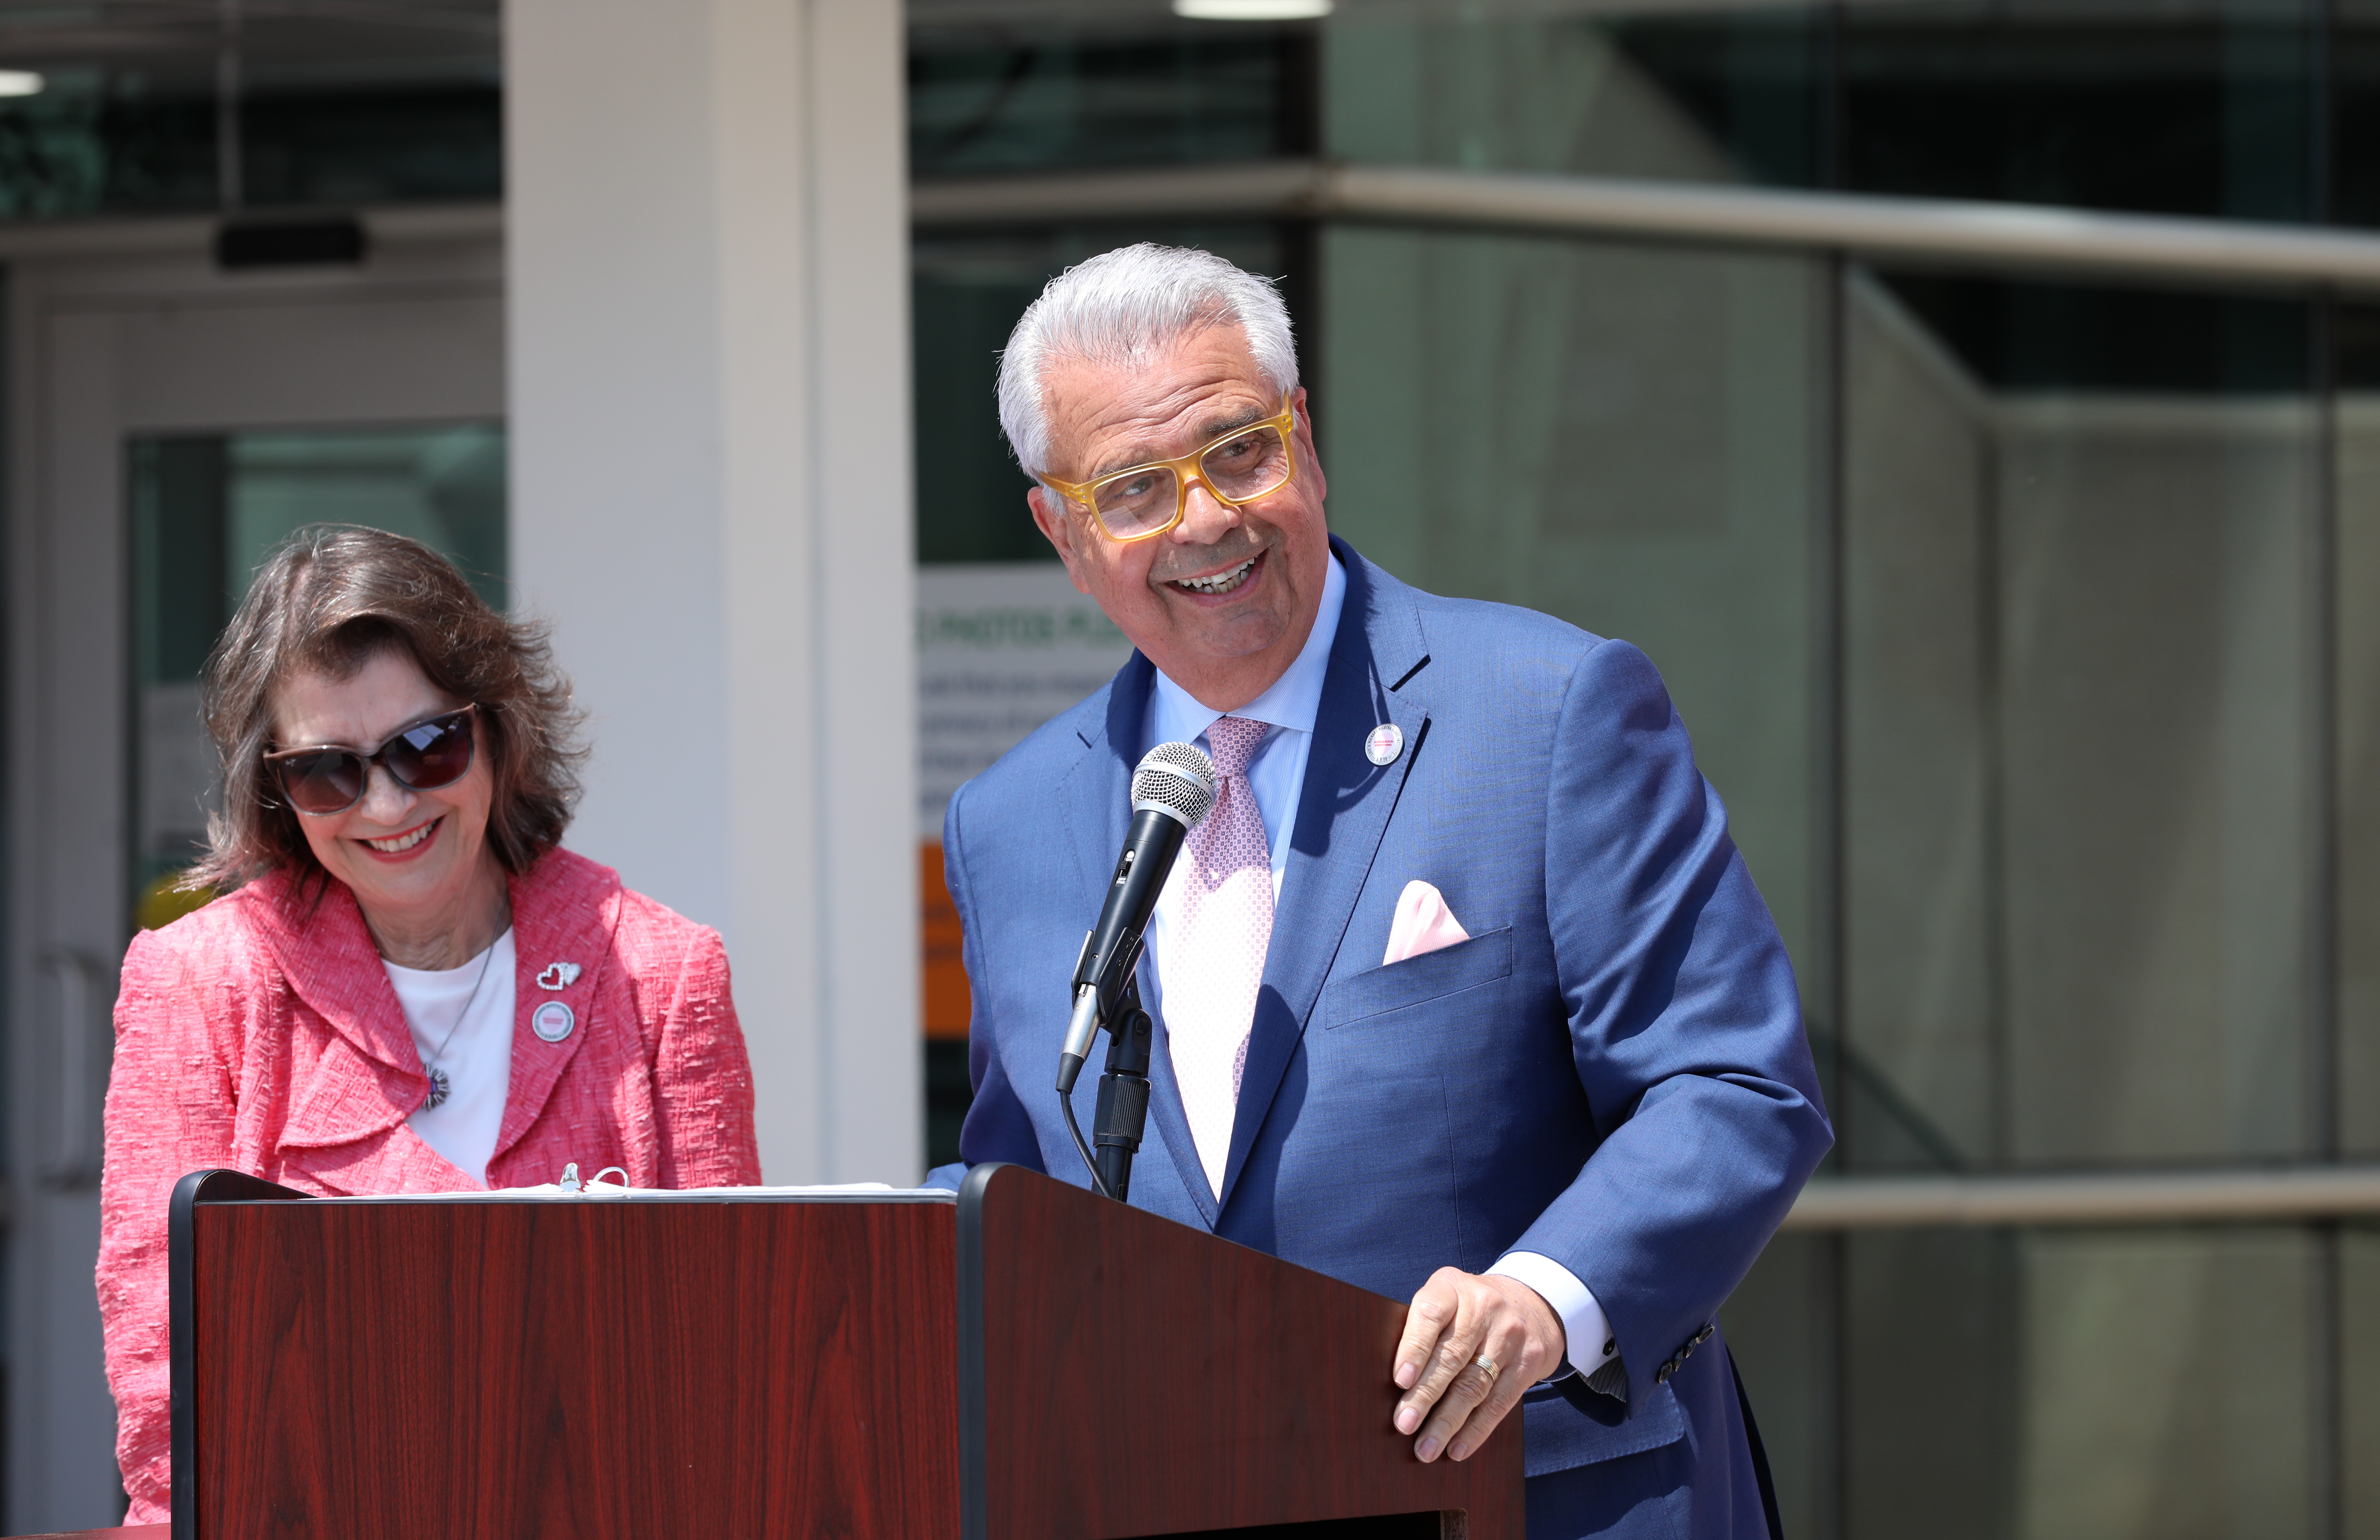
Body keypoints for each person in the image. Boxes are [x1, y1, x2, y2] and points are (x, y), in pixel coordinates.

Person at [934, 245, 1831, 1538]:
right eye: (1133, 488)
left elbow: (1736, 1086)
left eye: (1238, 450)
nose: (1203, 520)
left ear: (1303, 434)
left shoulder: (1548, 711)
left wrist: (1543, 1298)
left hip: (1540, 1497)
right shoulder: (1010, 823)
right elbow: (1021, 1198)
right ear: (1063, 532)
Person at [96, 525, 761, 1525]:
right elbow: (165, 1396)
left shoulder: (664, 975)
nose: (388, 803)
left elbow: (731, 1354)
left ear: (495, 728)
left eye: (425, 746)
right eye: (330, 770)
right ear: (275, 786)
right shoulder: (199, 985)